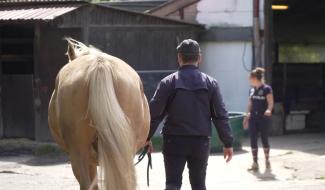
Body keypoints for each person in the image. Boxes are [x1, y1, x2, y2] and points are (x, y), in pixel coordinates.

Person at [145, 39, 234, 190]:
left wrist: (146, 137)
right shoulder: (211, 83)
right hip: (200, 142)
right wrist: (228, 143)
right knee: (199, 185)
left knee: (172, 184)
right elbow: (220, 116)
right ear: (199, 58)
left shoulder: (168, 82)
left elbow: (154, 114)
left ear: (179, 57)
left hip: (174, 141)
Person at [243, 68, 274, 171]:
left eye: (250, 78)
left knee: (264, 139)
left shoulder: (267, 89)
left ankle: (267, 160)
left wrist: (269, 110)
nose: (249, 80)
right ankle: (255, 163)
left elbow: (270, 102)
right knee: (253, 140)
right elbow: (250, 104)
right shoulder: (251, 90)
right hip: (253, 118)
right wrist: (246, 116)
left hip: (263, 118)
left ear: (255, 78)